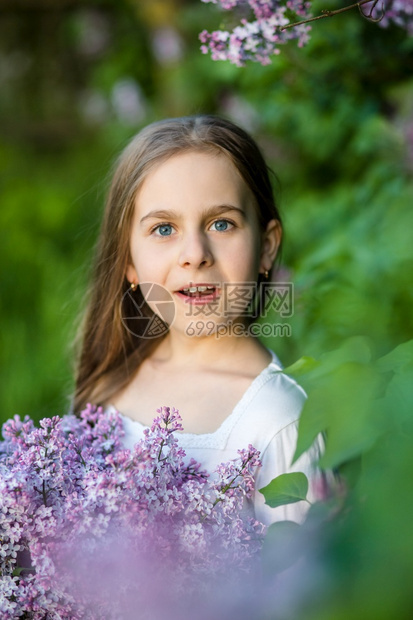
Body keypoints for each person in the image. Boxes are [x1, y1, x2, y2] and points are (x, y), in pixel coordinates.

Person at [72, 115, 325, 526]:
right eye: (164, 228)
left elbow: (305, 585)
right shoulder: (110, 381)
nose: (194, 253)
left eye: (221, 223)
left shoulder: (281, 419)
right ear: (128, 263)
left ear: (266, 247)